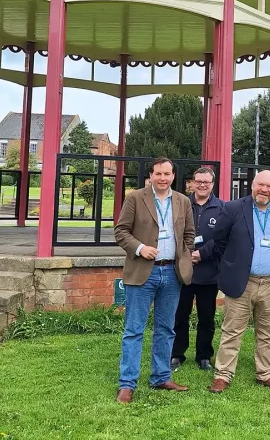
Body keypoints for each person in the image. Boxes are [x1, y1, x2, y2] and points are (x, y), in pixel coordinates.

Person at [113, 157, 195, 403]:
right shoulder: (136, 198)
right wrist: (139, 248)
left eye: (167, 174)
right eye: (158, 174)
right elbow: (120, 231)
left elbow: (189, 234)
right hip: (142, 272)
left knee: (166, 329)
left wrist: (184, 255)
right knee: (134, 330)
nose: (163, 178)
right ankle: (127, 384)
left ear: (173, 176)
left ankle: (161, 377)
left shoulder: (182, 201)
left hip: (171, 273)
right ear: (150, 176)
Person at [207, 170, 270, 393]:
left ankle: (266, 373)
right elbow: (219, 240)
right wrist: (234, 263)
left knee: (267, 332)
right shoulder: (234, 208)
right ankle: (223, 375)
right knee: (232, 331)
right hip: (242, 282)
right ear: (253, 185)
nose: (264, 190)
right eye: (260, 184)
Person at [170, 167, 224, 372]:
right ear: (192, 182)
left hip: (209, 272)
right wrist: (186, 254)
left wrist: (202, 254)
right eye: (198, 181)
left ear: (212, 184)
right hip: (182, 271)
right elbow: (173, 232)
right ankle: (177, 354)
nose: (202, 185)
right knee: (179, 315)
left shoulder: (222, 208)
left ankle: (204, 356)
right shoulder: (180, 204)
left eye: (206, 182)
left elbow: (222, 238)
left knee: (207, 317)